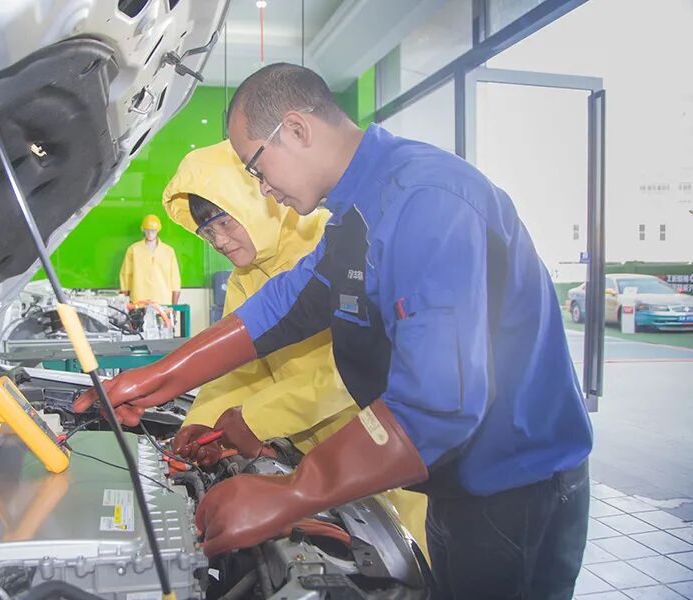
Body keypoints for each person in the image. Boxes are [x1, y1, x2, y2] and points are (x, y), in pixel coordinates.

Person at [78, 64, 593, 599]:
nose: (264, 190)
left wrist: (291, 494)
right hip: (454, 485)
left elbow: (439, 402)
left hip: (514, 491)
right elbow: (284, 306)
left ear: (296, 129)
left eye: (258, 168)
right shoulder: (357, 212)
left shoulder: (428, 201)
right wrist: (155, 379)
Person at [161, 140, 428, 552]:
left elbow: (349, 370)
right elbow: (240, 372)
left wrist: (255, 419)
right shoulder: (243, 280)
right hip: (316, 456)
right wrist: (201, 425)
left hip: (384, 444)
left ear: (254, 198)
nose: (219, 240)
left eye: (225, 222)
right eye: (207, 232)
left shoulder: (329, 243)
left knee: (421, 557)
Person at [118, 214, 181, 306]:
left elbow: (175, 280)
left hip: (163, 302)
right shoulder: (133, 250)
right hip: (138, 302)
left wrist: (174, 307)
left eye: (153, 231)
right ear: (143, 230)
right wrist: (123, 305)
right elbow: (125, 276)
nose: (150, 233)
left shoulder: (168, 251)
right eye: (147, 230)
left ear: (158, 230)